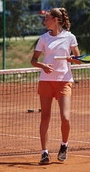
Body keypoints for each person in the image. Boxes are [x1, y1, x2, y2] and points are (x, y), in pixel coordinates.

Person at [30, 8, 81, 165]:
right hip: (46, 80)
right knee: (45, 117)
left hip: (64, 80)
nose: (44, 22)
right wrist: (42, 66)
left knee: (65, 118)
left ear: (56, 20)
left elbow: (78, 59)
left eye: (47, 19)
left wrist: (72, 59)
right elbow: (33, 60)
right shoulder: (43, 38)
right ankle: (44, 152)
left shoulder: (70, 37)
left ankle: (64, 145)